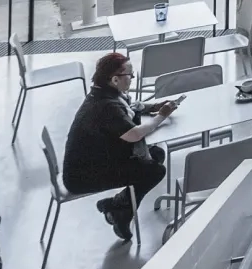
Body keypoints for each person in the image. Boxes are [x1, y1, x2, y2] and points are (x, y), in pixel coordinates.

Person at [62, 51, 177, 242]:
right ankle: (119, 210)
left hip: (98, 160)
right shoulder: (107, 106)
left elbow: (131, 108)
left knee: (154, 154)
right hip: (82, 176)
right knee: (155, 170)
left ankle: (119, 208)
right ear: (115, 79)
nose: (132, 79)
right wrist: (161, 115)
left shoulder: (103, 94)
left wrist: (154, 106)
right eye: (129, 75)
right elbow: (135, 134)